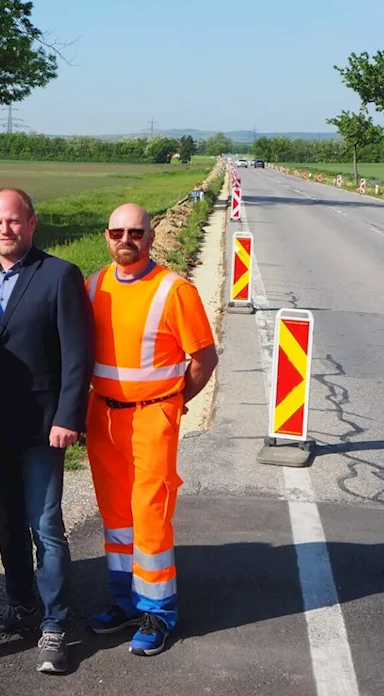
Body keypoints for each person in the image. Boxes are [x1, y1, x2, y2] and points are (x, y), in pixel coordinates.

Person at [0, 187, 93, 674]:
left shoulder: (58, 275)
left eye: (14, 221)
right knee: (6, 521)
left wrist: (69, 417)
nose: (5, 230)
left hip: (40, 428)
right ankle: (21, 606)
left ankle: (54, 624)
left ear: (32, 224)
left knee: (47, 528)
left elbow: (77, 354)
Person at [84, 204, 217, 656]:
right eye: (118, 231)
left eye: (136, 232)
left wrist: (172, 404)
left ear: (151, 236)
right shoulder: (95, 285)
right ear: (107, 236)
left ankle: (158, 613)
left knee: (151, 518)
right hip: (102, 417)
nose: (127, 239)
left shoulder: (174, 291)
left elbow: (204, 360)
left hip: (152, 418)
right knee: (117, 517)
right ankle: (124, 601)